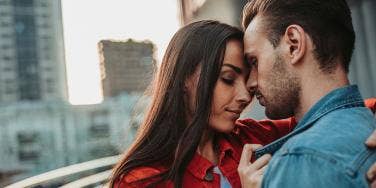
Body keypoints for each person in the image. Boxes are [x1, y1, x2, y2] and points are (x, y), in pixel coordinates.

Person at [109, 20, 376, 188]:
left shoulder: (252, 137)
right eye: (227, 78)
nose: (244, 95)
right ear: (183, 79)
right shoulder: (140, 180)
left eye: (247, 80)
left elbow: (337, 112)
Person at [238, 0, 376, 187]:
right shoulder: (368, 127)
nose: (250, 83)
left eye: (254, 62)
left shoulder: (301, 160)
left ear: (294, 44)